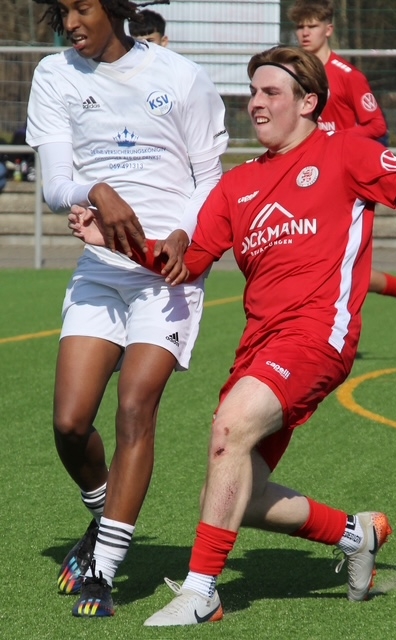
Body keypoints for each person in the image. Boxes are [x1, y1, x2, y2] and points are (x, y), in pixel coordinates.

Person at [71, 45, 396, 626]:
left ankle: (202, 593)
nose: (255, 102)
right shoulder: (239, 184)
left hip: (318, 338)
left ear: (308, 102)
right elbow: (188, 263)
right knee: (237, 496)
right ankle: (355, 534)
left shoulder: (347, 151)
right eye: (253, 91)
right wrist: (114, 241)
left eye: (270, 92)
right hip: (260, 346)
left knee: (229, 428)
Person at [27, 0, 228, 617]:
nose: (71, 23)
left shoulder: (180, 75)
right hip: (101, 271)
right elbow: (55, 182)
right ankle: (104, 516)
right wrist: (96, 190)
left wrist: (184, 234)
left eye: (82, 7)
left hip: (166, 274)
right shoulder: (54, 74)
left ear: (112, 8)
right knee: (70, 425)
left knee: (136, 408)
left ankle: (103, 573)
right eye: (62, 11)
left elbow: (210, 176)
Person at [288, 0, 396, 337]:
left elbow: (377, 125)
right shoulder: (294, 75)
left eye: (312, 26)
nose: (305, 32)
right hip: (307, 176)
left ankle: (324, 331)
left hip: (343, 178)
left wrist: (336, 139)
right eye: (301, 26)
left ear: (328, 29)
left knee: (333, 263)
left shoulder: (348, 76)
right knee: (313, 259)